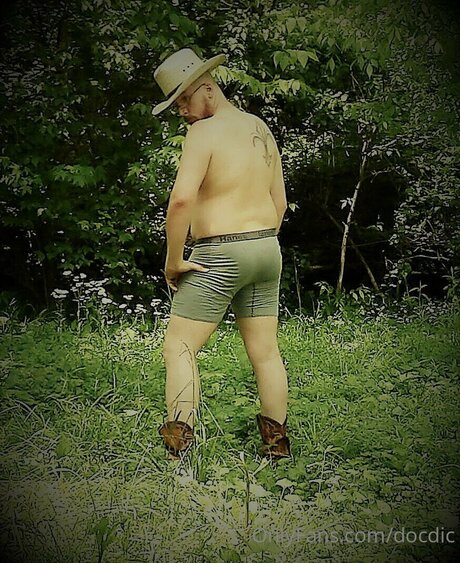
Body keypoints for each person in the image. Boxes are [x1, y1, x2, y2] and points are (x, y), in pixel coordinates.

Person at [152, 48, 291, 460]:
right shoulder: (259, 128)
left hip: (219, 253)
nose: (182, 111)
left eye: (184, 99)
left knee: (179, 346)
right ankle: (277, 451)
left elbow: (181, 201)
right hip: (266, 249)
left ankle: (178, 455)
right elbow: (280, 202)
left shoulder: (203, 133)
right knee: (265, 353)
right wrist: (256, 242)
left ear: (208, 90)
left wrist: (174, 260)